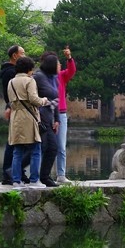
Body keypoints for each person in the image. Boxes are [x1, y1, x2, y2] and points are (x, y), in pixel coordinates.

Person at [7, 56, 49, 185]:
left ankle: (16, 180)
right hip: (29, 117)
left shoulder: (11, 82)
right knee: (36, 149)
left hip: (16, 117)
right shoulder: (30, 81)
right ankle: (34, 180)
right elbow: (34, 99)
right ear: (29, 69)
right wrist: (44, 100)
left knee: (17, 151)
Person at [0, 44, 26, 184]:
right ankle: (9, 172)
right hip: (16, 109)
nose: (25, 55)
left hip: (18, 109)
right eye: (22, 53)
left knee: (19, 142)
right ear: (15, 56)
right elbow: (10, 94)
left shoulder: (14, 71)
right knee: (13, 142)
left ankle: (16, 171)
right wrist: (9, 106)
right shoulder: (10, 73)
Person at [34, 53, 61, 187]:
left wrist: (57, 119)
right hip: (39, 118)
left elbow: (56, 99)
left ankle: (45, 177)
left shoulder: (54, 79)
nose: (59, 66)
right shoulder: (38, 77)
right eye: (57, 64)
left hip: (49, 119)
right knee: (40, 147)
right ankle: (17, 171)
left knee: (52, 147)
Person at [55, 46, 76, 183]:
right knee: (45, 146)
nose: (60, 65)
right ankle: (38, 175)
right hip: (48, 114)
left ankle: (61, 175)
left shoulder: (61, 76)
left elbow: (72, 71)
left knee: (61, 146)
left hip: (61, 114)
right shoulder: (43, 78)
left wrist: (69, 58)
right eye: (58, 64)